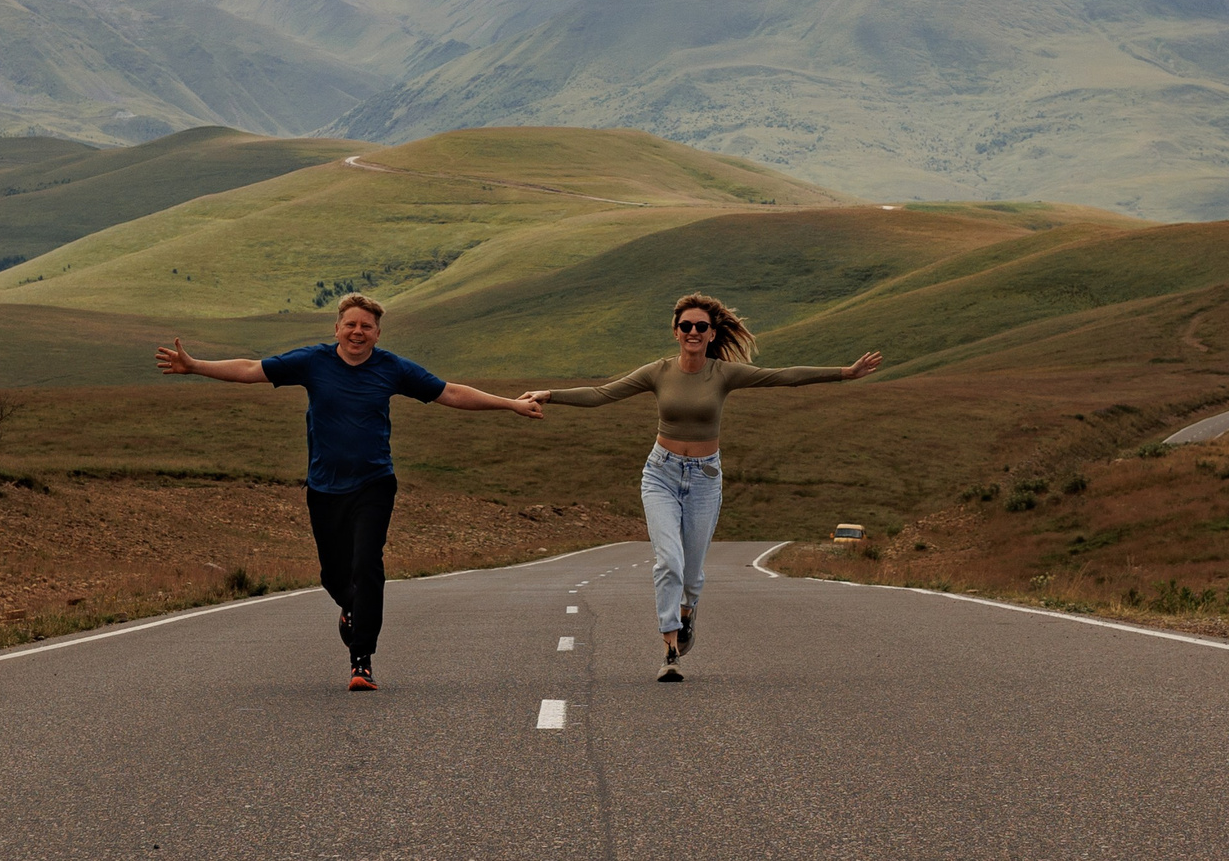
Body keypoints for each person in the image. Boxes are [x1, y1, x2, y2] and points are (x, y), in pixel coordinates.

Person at [156, 293, 543, 691]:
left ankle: (362, 660)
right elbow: (252, 369)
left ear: (377, 333)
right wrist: (195, 366)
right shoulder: (312, 362)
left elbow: (450, 393)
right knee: (334, 576)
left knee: (367, 566)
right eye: (351, 325)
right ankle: (350, 608)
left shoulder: (392, 368)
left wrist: (510, 404)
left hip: (374, 482)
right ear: (337, 328)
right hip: (324, 487)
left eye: (367, 327)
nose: (358, 332)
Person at [522, 294, 880, 683]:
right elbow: (603, 394)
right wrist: (550, 394)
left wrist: (845, 372)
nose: (693, 332)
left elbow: (783, 376)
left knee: (691, 575)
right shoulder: (657, 372)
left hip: (705, 479)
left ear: (711, 333)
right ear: (676, 332)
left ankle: (688, 611)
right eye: (686, 326)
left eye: (701, 327)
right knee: (668, 563)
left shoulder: (723, 373)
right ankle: (670, 651)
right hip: (660, 474)